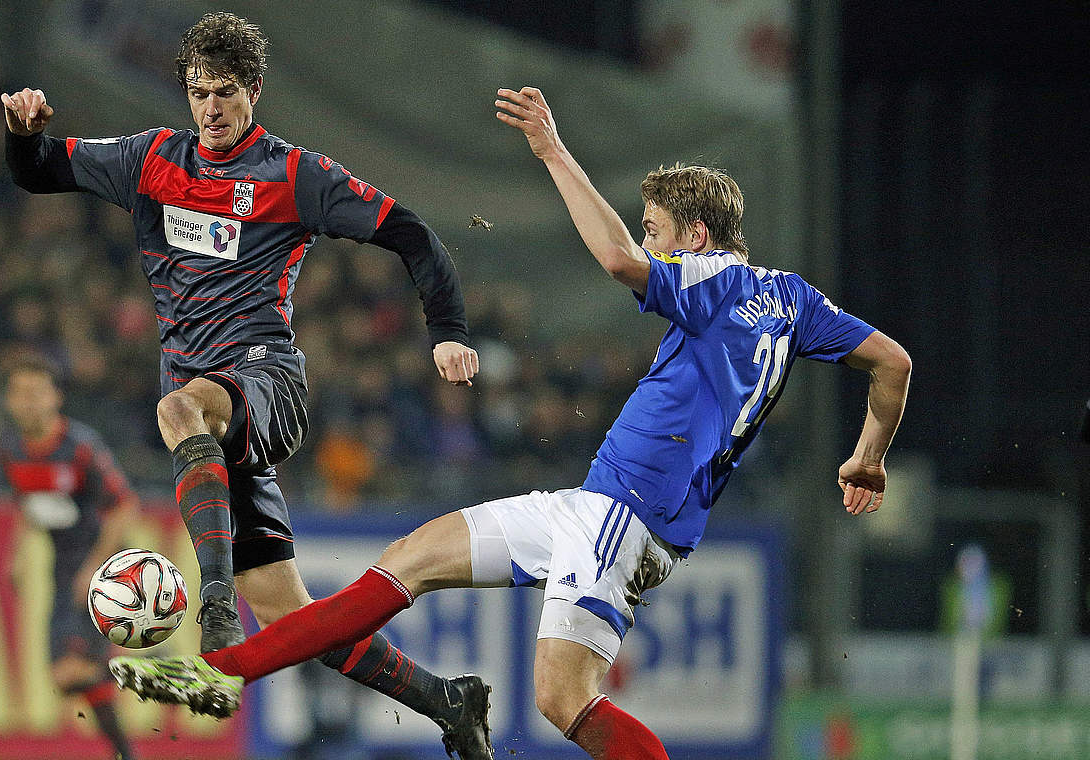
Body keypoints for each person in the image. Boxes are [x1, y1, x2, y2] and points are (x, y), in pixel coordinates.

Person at [107, 86, 913, 760]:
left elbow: (620, 261)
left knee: (564, 702)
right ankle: (226, 671)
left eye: (660, 230)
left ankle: (227, 670)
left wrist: (554, 152)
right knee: (410, 558)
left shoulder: (716, 278)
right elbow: (893, 364)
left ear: (696, 238)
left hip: (623, 519)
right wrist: (869, 456)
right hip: (599, 507)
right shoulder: (798, 302)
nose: (652, 245)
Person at [0, 11, 490, 757]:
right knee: (297, 625)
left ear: (254, 92)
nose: (211, 109)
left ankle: (215, 605)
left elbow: (410, 231)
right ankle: (446, 699)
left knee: (176, 404)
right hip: (205, 427)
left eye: (225, 93)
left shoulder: (294, 175)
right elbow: (40, 173)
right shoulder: (150, 159)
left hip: (265, 381)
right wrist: (25, 134)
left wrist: (447, 328)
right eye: (198, 93)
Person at [0, 357, 139, 760]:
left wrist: (95, 567)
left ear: (56, 398)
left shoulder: (79, 447)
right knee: (67, 681)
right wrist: (18, 556)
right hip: (62, 568)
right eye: (20, 394)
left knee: (69, 671)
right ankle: (128, 747)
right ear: (9, 401)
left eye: (37, 393)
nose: (29, 403)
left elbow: (124, 507)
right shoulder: (11, 451)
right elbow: (28, 504)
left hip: (102, 566)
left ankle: (131, 652)